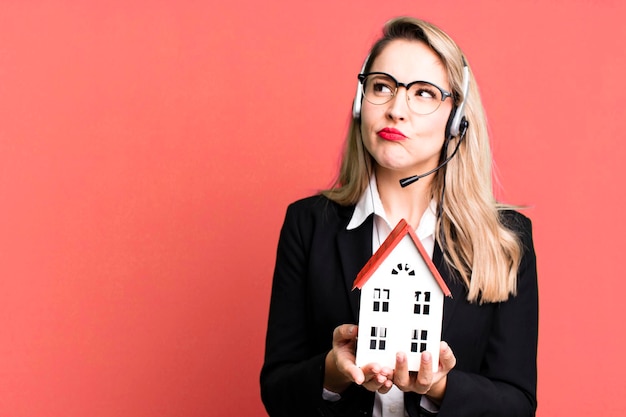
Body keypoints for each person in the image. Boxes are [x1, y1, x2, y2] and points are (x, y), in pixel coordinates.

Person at [260, 16, 538, 417]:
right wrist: (332, 373)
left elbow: (517, 405)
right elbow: (277, 391)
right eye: (382, 87)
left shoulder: (506, 239)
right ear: (360, 103)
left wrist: (438, 387)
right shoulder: (308, 225)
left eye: (423, 93)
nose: (396, 110)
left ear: (457, 119)